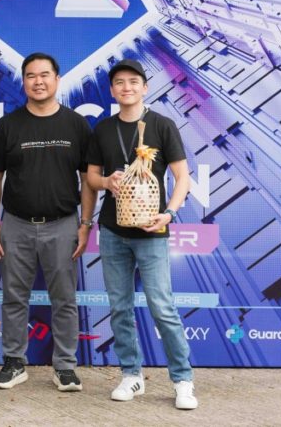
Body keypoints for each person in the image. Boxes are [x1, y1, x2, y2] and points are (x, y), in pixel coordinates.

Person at [86, 58, 197, 410]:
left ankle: (182, 380)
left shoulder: (163, 125)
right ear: (112, 90)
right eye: (119, 82)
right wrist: (107, 181)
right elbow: (91, 178)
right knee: (119, 307)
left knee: (162, 307)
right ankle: (131, 375)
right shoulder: (103, 129)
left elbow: (183, 177)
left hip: (152, 230)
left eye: (133, 82)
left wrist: (170, 213)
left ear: (145, 87)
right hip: (112, 230)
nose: (127, 87)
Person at [0, 53, 94, 393]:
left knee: (65, 299)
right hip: (16, 224)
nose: (38, 81)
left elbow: (88, 179)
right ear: (24, 82)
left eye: (45, 75)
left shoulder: (76, 125)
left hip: (63, 224)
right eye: (31, 76)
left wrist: (85, 224)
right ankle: (14, 363)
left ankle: (65, 368)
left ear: (57, 79)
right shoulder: (8, 125)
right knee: (14, 297)